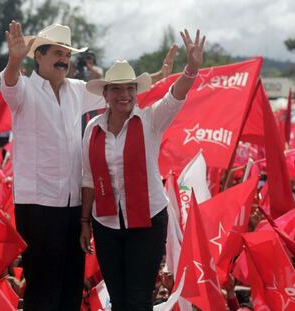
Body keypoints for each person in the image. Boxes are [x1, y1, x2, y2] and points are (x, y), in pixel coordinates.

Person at [0, 21, 176, 311]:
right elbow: (9, 83)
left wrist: (157, 76)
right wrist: (13, 60)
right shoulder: (23, 90)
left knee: (70, 286)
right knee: (43, 289)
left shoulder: (76, 90)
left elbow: (119, 93)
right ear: (38, 56)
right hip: (38, 206)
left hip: (73, 207)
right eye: (57, 53)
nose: (64, 60)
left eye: (67, 55)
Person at [80, 29, 205, 311]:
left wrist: (191, 70)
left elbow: (175, 97)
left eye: (130, 88)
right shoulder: (92, 129)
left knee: (138, 298)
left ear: (136, 92)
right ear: (106, 94)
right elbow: (87, 177)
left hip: (147, 222)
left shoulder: (150, 120)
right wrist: (85, 222)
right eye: (117, 89)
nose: (124, 95)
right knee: (118, 298)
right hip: (105, 224)